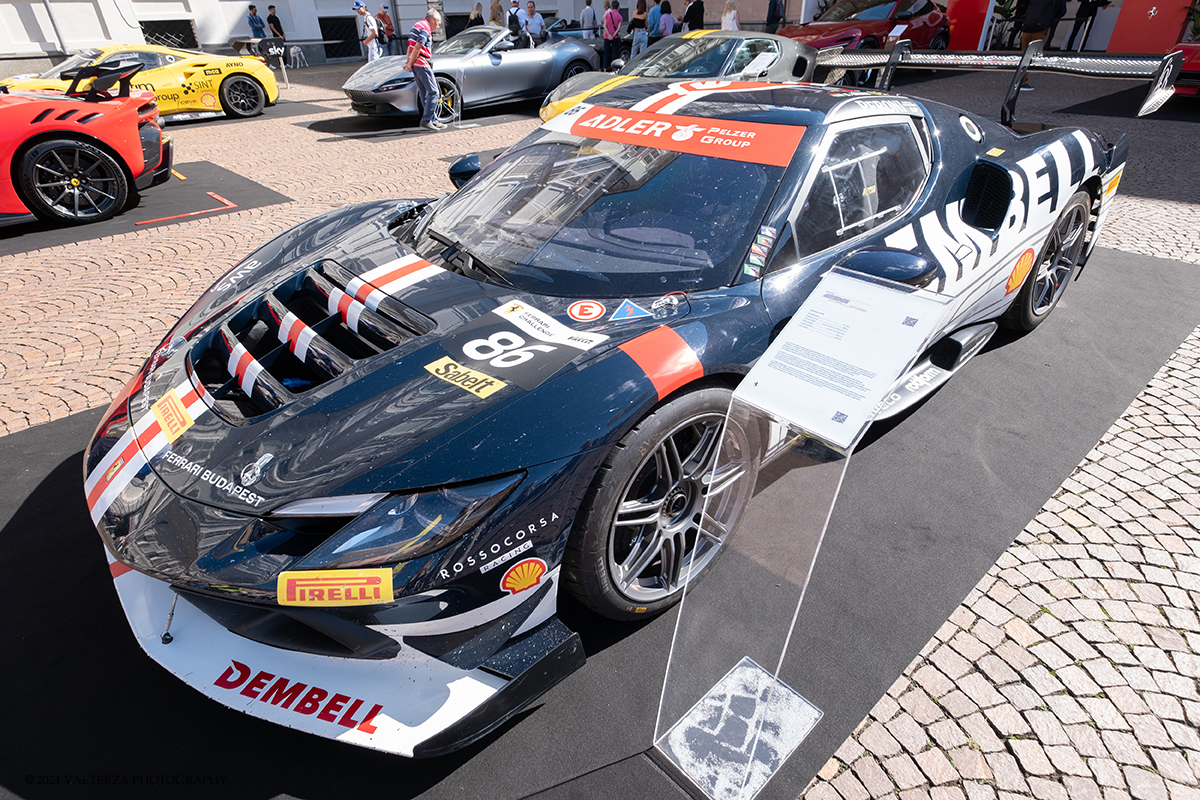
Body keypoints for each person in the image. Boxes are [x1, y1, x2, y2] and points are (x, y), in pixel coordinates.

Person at [404, 8, 444, 130]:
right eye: (437, 23)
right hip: (422, 62)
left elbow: (410, 47)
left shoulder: (417, 25)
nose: (437, 26)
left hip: (416, 63)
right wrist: (409, 64)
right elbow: (418, 46)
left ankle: (433, 120)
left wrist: (409, 62)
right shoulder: (425, 28)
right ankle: (427, 120)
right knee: (433, 92)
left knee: (424, 92)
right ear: (432, 19)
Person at [1018, 0, 1062, 88]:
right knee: (1032, 56)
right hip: (1042, 28)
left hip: (1028, 26)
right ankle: (1022, 82)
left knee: (1024, 54)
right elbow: (1061, 11)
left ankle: (1019, 79)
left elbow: (1023, 7)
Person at [603, 0, 624, 69]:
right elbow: (618, 29)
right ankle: (614, 69)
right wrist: (612, 35)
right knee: (614, 54)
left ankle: (605, 69)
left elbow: (604, 26)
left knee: (605, 54)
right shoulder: (620, 17)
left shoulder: (607, 14)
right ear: (618, 7)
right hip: (615, 37)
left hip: (606, 36)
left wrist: (608, 35)